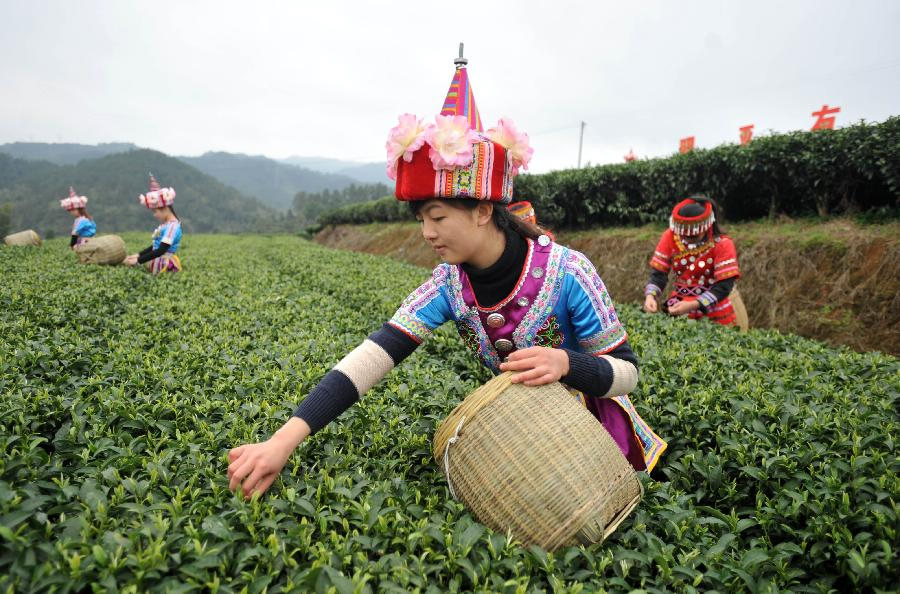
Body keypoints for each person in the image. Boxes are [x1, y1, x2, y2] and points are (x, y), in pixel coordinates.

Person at [227, 54, 666, 498]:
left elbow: (627, 373)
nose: (427, 233)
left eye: (436, 217)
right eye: (421, 219)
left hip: (595, 437)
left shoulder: (569, 271)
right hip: (524, 432)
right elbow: (377, 354)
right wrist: (282, 442)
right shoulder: (448, 284)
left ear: (481, 210)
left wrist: (568, 363)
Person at [643, 195, 741, 325]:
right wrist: (650, 297)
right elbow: (659, 274)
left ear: (706, 227)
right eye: (683, 235)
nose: (687, 238)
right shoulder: (670, 236)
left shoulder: (722, 244)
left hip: (714, 311)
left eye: (693, 236)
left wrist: (693, 305)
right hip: (678, 306)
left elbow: (724, 286)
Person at [123, 174, 183, 273]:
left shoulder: (172, 227)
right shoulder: (166, 225)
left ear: (165, 208)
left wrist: (137, 261)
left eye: (155, 212)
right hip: (158, 262)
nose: (155, 215)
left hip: (164, 265)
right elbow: (155, 247)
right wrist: (138, 255)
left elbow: (161, 250)